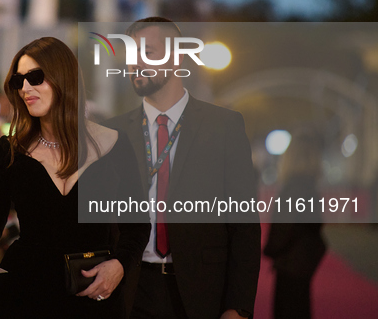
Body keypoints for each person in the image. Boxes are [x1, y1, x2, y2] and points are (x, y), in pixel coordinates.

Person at [0, 37, 150, 318]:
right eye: (19, 81)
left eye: (35, 78)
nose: (25, 88)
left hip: (92, 295)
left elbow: (137, 226)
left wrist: (119, 266)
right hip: (23, 295)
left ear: (62, 78)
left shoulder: (115, 144)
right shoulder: (9, 150)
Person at [104, 17, 261, 319]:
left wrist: (238, 307)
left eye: (147, 53)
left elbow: (244, 224)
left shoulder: (224, 126)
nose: (134, 64)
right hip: (129, 290)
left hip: (201, 291)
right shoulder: (112, 132)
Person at [263, 130, 326, 319]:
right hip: (303, 262)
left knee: (288, 310)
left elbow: (284, 227)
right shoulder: (309, 187)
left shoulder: (293, 189)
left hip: (290, 263)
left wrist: (270, 249)